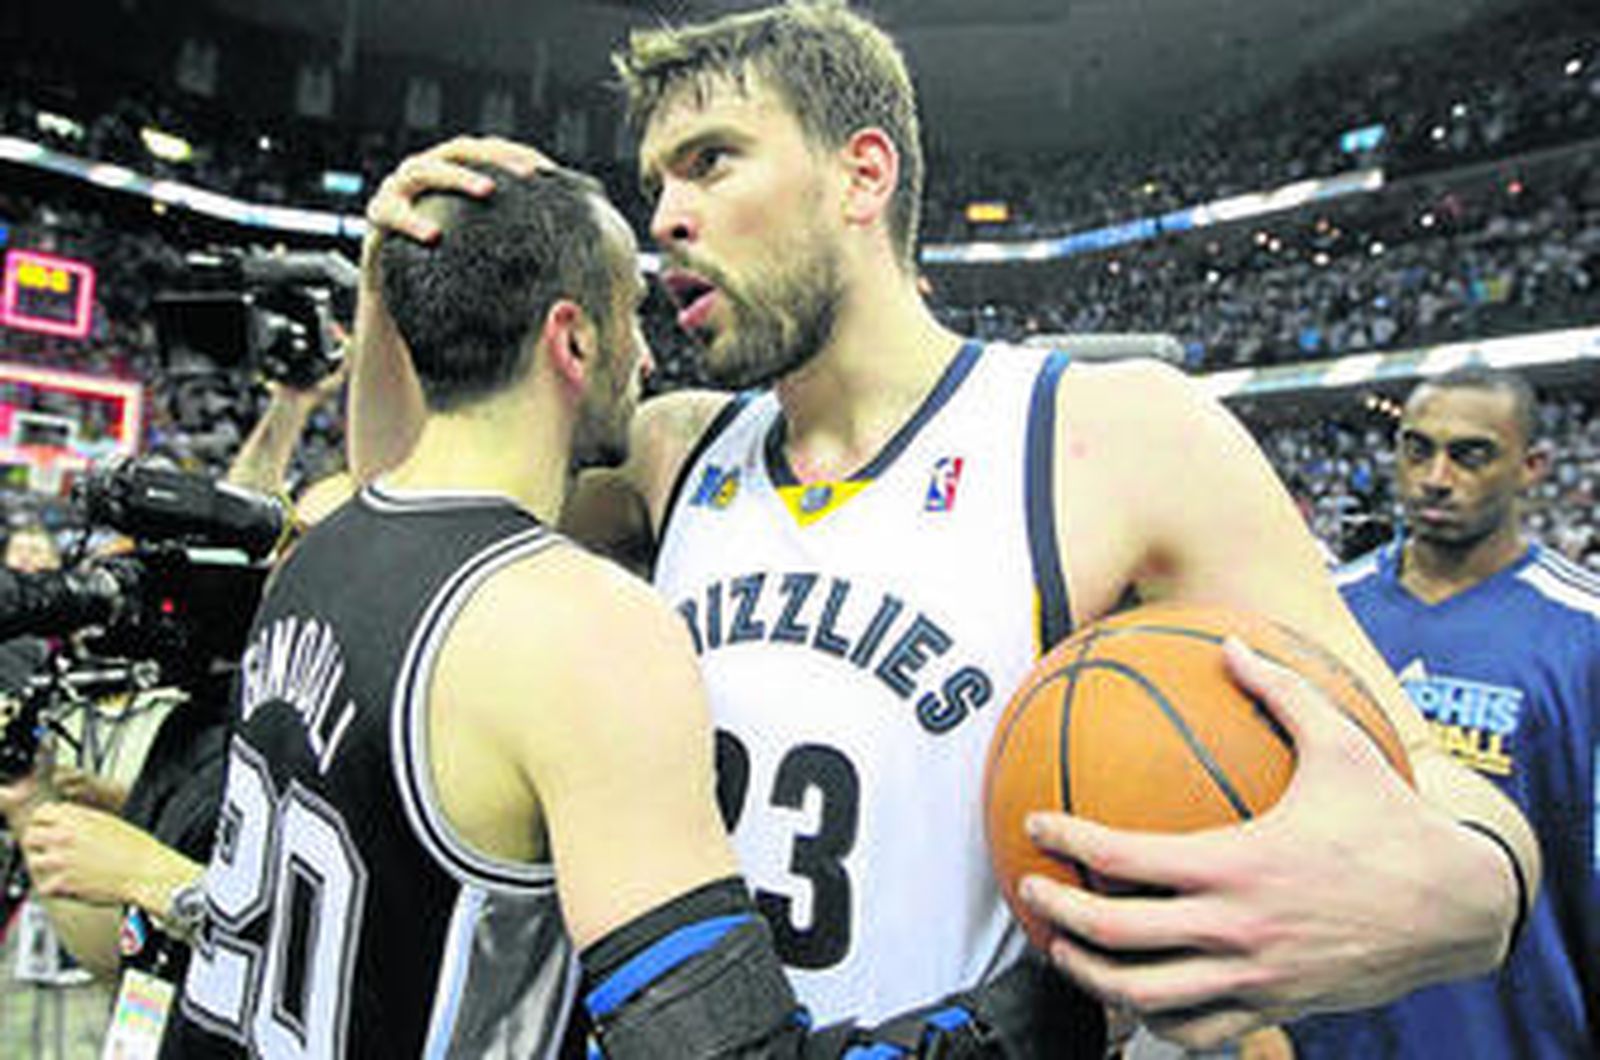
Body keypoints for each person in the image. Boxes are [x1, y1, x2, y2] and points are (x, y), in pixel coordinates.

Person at [352, 2, 1539, 1049]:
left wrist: (1481, 891)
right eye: (656, 180)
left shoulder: (1109, 434)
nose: (663, 215)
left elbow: (1424, 771)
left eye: (710, 162)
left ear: (862, 176)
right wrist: (381, 289)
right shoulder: (675, 445)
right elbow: (421, 522)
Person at [169, 162, 1094, 1059]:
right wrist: (1045, 1017)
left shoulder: (318, 540)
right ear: (573, 341)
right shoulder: (575, 626)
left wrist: (386, 282)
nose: (650, 356)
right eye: (632, 317)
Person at [1287, 366, 1596, 1058]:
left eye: (1470, 454)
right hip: (1333, 1035)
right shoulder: (1320, 610)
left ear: (1532, 467)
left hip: (1517, 1034)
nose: (1434, 475)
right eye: (1415, 448)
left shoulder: (1584, 631)